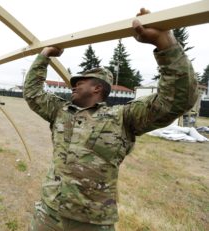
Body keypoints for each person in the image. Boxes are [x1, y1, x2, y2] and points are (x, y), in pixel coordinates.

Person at [24, 8, 198, 231]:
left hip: (92, 222)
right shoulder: (60, 111)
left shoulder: (122, 118)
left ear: (97, 88)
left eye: (81, 81)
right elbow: (33, 93)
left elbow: (176, 101)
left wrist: (165, 44)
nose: (74, 84)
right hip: (49, 213)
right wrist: (44, 56)